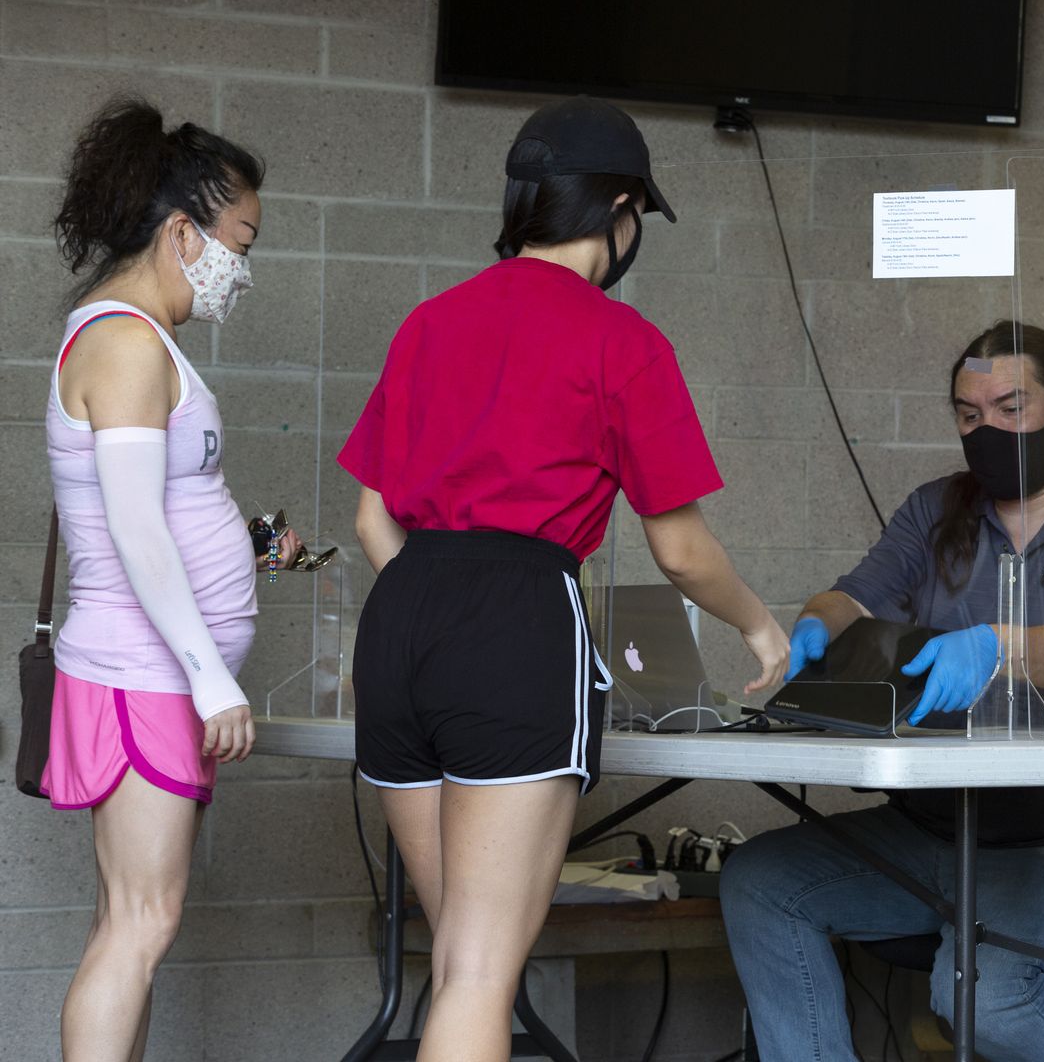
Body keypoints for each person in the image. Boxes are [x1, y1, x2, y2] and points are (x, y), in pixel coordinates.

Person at [338, 96, 787, 1062]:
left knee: (452, 950)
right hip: (518, 617)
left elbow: (372, 516)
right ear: (620, 212)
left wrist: (435, 602)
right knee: (478, 974)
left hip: (401, 615)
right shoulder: (621, 340)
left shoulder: (429, 321)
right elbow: (681, 550)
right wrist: (759, 626)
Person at [719, 321, 1044, 1062]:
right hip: (938, 828)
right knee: (760, 883)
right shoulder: (936, 509)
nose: (987, 428)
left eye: (1010, 407)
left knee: (982, 993)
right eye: (969, 415)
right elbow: (857, 597)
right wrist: (814, 623)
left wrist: (999, 649)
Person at [43, 96, 293, 1058]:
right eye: (243, 238)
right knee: (139, 924)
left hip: (149, 676)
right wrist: (208, 672)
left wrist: (269, 543)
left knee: (134, 923)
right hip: (142, 675)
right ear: (184, 231)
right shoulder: (126, 342)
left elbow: (178, 503)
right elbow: (136, 526)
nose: (246, 265)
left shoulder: (148, 345)